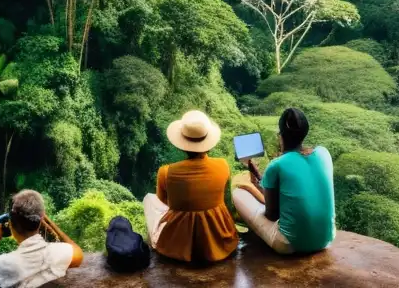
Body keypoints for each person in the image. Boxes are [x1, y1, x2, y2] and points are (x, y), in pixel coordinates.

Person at [232, 107, 335, 255]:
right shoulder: (324, 153)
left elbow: (271, 215)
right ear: (305, 132)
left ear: (280, 136)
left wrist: (258, 190)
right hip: (326, 239)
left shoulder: (277, 165)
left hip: (289, 244)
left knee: (238, 193)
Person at [143, 110, 239, 263]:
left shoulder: (166, 172)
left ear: (182, 144)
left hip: (179, 241)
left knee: (149, 200)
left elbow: (164, 203)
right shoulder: (223, 165)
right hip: (219, 238)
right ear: (208, 142)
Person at [0, 189, 84, 288]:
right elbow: (78, 252)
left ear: (11, 224)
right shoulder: (60, 252)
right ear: (40, 220)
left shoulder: (5, 264)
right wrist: (48, 221)